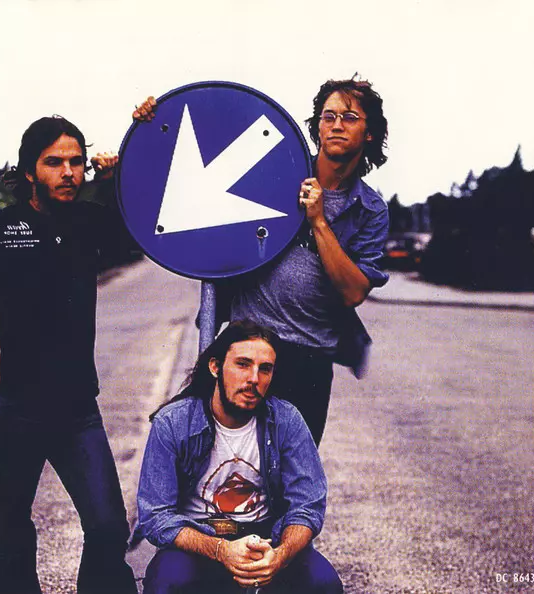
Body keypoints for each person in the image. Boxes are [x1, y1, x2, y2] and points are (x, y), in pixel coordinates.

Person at [134, 77, 390, 446]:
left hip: (310, 359)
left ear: (370, 133)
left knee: (290, 471)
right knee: (211, 458)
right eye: (328, 116)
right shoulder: (276, 170)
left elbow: (353, 292)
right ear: (317, 126)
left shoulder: (369, 210)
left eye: (349, 117)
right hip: (246, 344)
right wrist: (154, 125)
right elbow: (194, 178)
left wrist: (318, 221)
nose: (336, 125)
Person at [0, 116, 137, 594]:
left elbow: (142, 223)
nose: (68, 172)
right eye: (54, 162)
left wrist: (118, 170)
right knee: (11, 531)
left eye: (77, 162)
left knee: (107, 526)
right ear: (29, 171)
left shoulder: (90, 221)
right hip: (15, 405)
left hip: (78, 408)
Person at [137, 320, 343, 594]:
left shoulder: (286, 420)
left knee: (323, 584)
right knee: (167, 582)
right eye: (243, 364)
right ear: (215, 367)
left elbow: (307, 505)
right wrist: (221, 550)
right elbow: (155, 515)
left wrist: (280, 557)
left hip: (266, 541)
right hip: (200, 541)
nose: (254, 378)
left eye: (265, 369)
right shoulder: (173, 423)